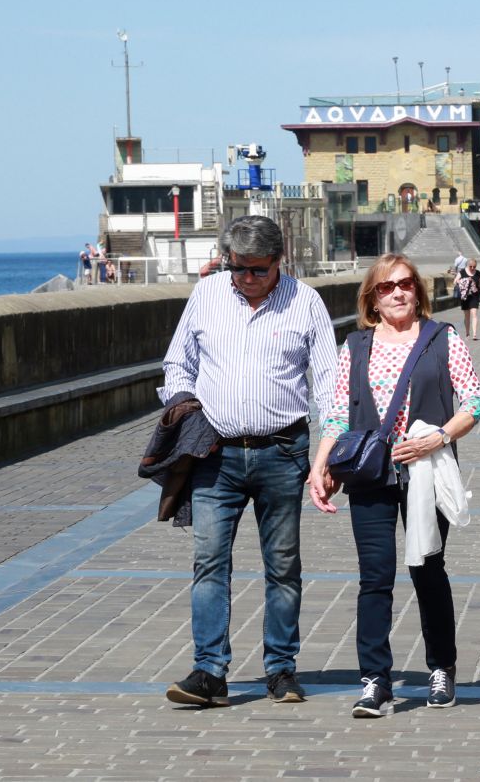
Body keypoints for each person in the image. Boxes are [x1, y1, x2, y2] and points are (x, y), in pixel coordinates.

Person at [159, 216, 339, 709]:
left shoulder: (306, 303)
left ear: (280, 262)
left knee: (282, 566)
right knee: (209, 562)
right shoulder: (208, 296)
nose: (246, 280)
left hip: (282, 452)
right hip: (215, 454)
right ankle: (210, 672)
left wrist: (328, 453)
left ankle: (281, 669)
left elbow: (328, 385)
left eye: (257, 271)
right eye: (237, 269)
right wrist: (185, 407)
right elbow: (178, 363)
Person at [310, 254, 480, 717]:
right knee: (375, 575)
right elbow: (335, 413)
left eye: (406, 283)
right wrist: (320, 464)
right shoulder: (355, 345)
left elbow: (475, 401)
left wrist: (439, 437)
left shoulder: (442, 339)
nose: (398, 293)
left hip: (425, 474)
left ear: (419, 290)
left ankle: (441, 670)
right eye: (387, 287)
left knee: (428, 569)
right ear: (372, 297)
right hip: (371, 474)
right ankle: (375, 680)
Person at [455, 259, 480, 340]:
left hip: (474, 296)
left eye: (474, 267)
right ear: (468, 265)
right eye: (470, 266)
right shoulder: (462, 272)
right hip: (465, 297)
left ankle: (474, 334)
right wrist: (463, 280)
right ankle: (467, 333)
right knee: (467, 316)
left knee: (474, 314)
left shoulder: (478, 273)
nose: (472, 268)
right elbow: (455, 281)